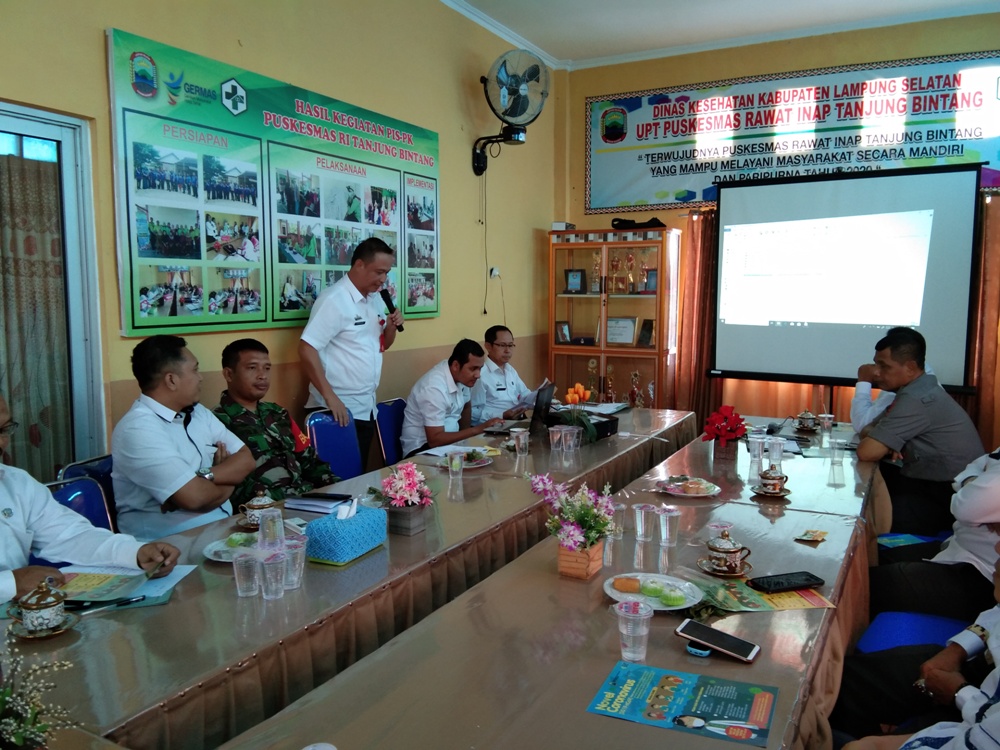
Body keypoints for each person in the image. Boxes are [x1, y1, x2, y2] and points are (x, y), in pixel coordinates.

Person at [0, 392, 179, 601]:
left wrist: (136, 553)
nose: (1, 443)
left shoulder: (16, 484)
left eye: (3, 430)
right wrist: (12, 583)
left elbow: (69, 535)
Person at [836, 542, 1000, 749]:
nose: (997, 547)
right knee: (839, 685)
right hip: (976, 674)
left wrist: (959, 694)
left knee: (877, 583)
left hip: (972, 715)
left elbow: (978, 737)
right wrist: (959, 649)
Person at [112, 335, 255, 541]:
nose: (201, 377)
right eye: (195, 370)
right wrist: (231, 476)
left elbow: (246, 459)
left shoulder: (198, 412)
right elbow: (195, 498)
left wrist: (204, 476)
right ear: (171, 380)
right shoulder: (138, 429)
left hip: (221, 531)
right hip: (172, 545)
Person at [856, 328, 983, 535]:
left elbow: (867, 451)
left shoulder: (917, 399)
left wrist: (884, 441)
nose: (876, 372)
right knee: (872, 485)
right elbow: (867, 429)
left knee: (868, 512)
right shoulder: (914, 390)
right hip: (929, 482)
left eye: (884, 366)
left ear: (910, 367)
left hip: (948, 495)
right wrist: (886, 441)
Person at [298, 237, 403, 470]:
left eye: (387, 272)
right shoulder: (335, 300)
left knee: (357, 477)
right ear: (359, 265)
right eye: (379, 272)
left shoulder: (373, 300)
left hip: (365, 406)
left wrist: (391, 328)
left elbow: (382, 344)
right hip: (335, 410)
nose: (383, 279)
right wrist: (330, 397)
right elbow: (306, 348)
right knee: (336, 482)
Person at [869, 448, 1000, 623]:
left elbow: (964, 507)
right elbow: (974, 466)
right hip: (956, 548)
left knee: (867, 585)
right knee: (874, 558)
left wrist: (973, 485)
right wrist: (972, 482)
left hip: (982, 578)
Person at [214, 338, 338, 506]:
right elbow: (229, 487)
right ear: (229, 374)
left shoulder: (278, 413)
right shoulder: (216, 423)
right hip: (265, 511)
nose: (262, 376)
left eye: (267, 368)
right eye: (252, 368)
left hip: (306, 501)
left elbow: (310, 461)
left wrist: (337, 489)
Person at [400, 339, 504, 457]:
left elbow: (466, 404)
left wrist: (466, 441)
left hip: (449, 445)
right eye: (473, 368)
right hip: (422, 450)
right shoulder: (434, 388)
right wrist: (477, 429)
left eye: (480, 368)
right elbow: (435, 440)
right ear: (455, 365)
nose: (478, 375)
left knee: (493, 454)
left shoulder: (461, 377)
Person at [851, 359, 938, 433]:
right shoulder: (910, 377)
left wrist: (864, 380)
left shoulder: (914, 393)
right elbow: (868, 427)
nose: (876, 372)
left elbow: (862, 425)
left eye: (883, 366)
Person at [470, 325, 533, 425]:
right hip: (495, 426)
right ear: (488, 346)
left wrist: (538, 398)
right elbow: (472, 413)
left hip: (517, 421)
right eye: (502, 345)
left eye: (511, 345)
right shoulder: (481, 375)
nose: (507, 350)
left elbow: (524, 394)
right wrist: (502, 415)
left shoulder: (510, 369)